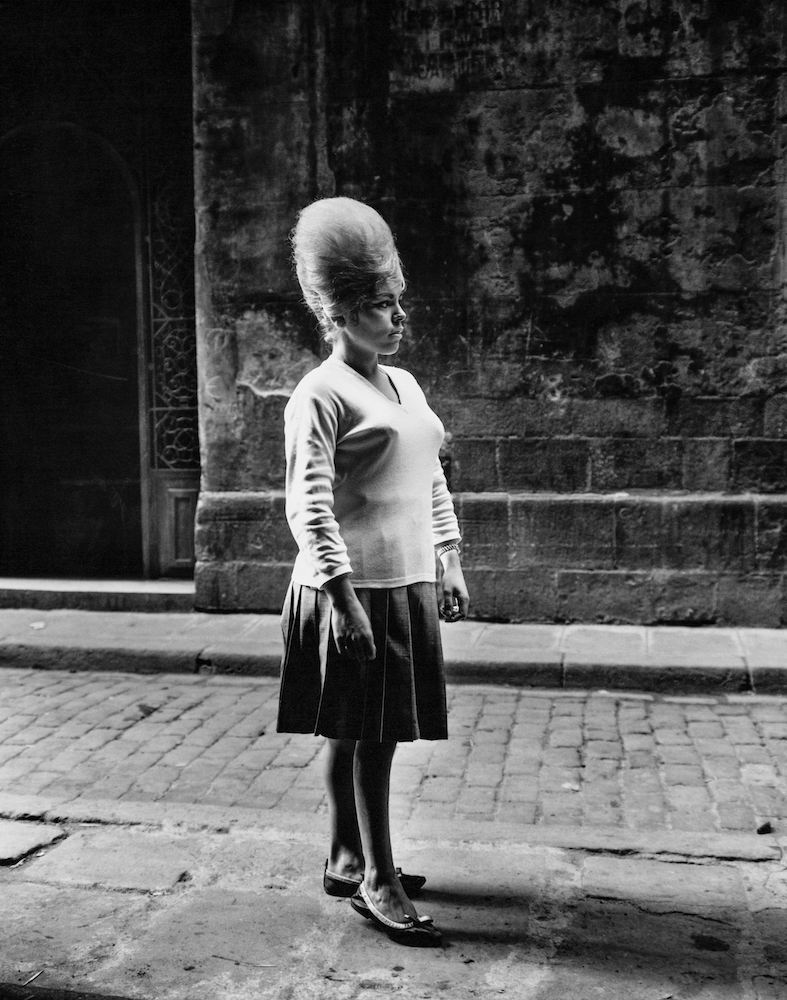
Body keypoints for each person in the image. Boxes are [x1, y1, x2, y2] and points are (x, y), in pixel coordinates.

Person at [277, 196, 470, 947]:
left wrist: (447, 559)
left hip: (406, 581)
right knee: (371, 735)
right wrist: (341, 597)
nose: (398, 318)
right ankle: (378, 881)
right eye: (382, 306)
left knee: (355, 731)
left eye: (397, 304)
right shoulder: (319, 392)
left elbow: (430, 480)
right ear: (342, 314)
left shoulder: (406, 385)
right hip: (351, 590)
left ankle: (342, 855)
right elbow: (309, 505)